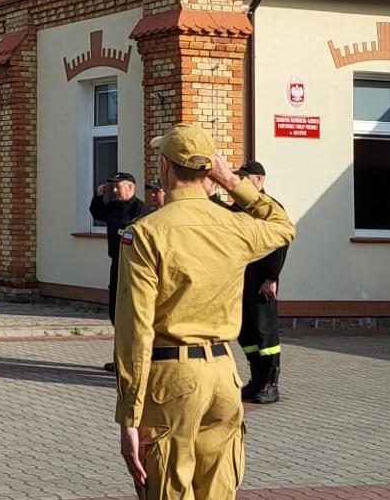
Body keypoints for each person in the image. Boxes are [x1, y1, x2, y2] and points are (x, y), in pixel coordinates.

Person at [115, 124, 296, 499]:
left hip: (171, 377)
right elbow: (282, 225)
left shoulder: (147, 232)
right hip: (223, 374)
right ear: (209, 169)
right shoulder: (235, 226)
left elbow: (136, 330)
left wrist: (129, 415)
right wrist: (232, 182)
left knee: (168, 489)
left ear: (165, 166)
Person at [229, 161, 287, 405]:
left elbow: (279, 244)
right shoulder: (237, 208)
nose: (240, 182)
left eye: (245, 178)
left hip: (262, 279)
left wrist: (271, 278)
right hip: (240, 279)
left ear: (259, 180)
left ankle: (271, 383)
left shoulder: (269, 208)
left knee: (265, 334)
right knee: (246, 332)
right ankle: (257, 379)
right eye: (239, 177)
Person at [91, 172, 148, 327]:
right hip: (117, 259)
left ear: (130, 187)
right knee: (115, 296)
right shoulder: (113, 207)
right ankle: (117, 326)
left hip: (134, 262)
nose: (115, 191)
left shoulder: (141, 209)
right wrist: (98, 196)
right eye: (113, 187)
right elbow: (97, 213)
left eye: (118, 187)